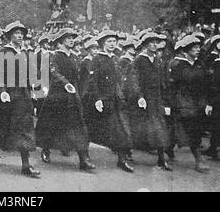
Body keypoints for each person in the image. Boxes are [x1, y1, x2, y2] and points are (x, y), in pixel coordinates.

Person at [0, 21, 40, 178]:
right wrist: (1, 91)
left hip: (23, 95)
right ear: (9, 36)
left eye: (21, 33)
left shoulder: (26, 53)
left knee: (25, 128)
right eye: (16, 33)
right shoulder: (3, 51)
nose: (20, 36)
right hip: (8, 94)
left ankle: (26, 165)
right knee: (3, 125)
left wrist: (34, 87)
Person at [35, 28, 96, 172]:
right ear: (61, 41)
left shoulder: (75, 57)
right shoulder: (55, 56)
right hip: (57, 96)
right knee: (52, 125)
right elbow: (54, 72)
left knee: (79, 126)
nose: (71, 40)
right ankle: (46, 149)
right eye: (68, 38)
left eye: (72, 38)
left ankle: (83, 159)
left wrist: (80, 91)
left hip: (73, 97)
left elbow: (80, 76)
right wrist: (65, 83)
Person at [85, 30, 134, 173]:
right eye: (109, 42)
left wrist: (121, 95)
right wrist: (97, 99)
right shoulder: (97, 59)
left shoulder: (115, 58)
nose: (112, 44)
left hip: (114, 100)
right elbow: (92, 81)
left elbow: (118, 80)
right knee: (91, 129)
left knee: (120, 130)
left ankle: (122, 159)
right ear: (102, 44)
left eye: (114, 41)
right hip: (101, 99)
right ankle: (84, 156)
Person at [127, 32, 172, 171]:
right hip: (143, 98)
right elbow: (134, 80)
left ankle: (161, 158)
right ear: (146, 45)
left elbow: (163, 82)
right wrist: (139, 96)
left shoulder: (159, 60)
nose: (154, 44)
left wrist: (165, 101)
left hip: (156, 99)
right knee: (136, 127)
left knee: (159, 127)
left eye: (156, 42)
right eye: (151, 42)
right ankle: (125, 152)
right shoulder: (139, 60)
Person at [168, 35, 211, 173]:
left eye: (199, 47)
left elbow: (205, 83)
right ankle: (198, 160)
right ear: (186, 50)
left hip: (197, 101)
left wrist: (206, 101)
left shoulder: (199, 64)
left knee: (189, 130)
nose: (198, 50)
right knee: (185, 129)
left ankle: (170, 149)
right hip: (182, 101)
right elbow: (171, 85)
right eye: (194, 48)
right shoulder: (177, 64)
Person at [205, 35, 220, 161]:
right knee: (216, 124)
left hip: (217, 98)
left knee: (216, 124)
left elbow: (214, 84)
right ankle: (213, 148)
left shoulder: (217, 63)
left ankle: (214, 148)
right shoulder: (216, 62)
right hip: (217, 98)